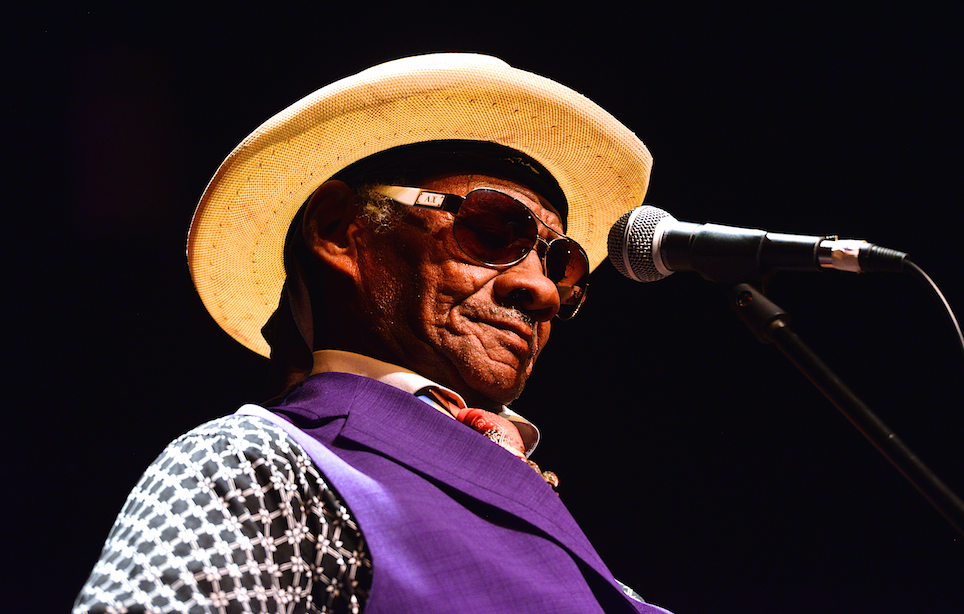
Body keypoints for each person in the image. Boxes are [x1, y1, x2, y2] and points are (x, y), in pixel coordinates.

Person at [74, 53, 671, 614]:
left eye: (559, 263)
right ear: (339, 230)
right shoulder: (261, 465)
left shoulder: (544, 514)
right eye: (492, 231)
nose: (541, 289)